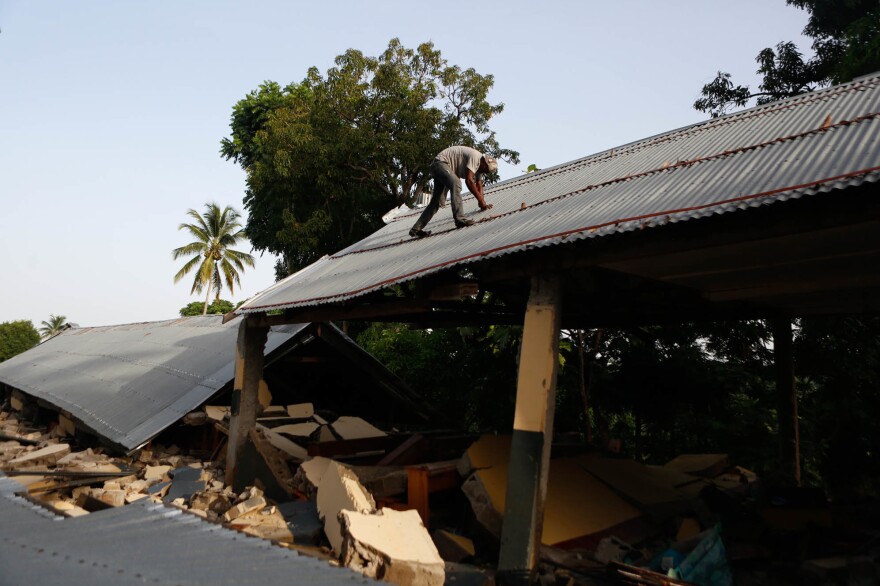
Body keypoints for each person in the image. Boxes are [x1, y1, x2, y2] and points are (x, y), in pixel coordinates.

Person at [409, 145, 498, 238]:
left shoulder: (481, 167)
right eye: (485, 169)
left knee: (437, 202)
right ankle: (460, 219)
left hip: (444, 168)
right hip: (440, 163)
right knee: (456, 183)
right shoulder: (476, 157)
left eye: (486, 172)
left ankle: (416, 229)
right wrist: (481, 200)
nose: (484, 172)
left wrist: (482, 202)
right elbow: (469, 181)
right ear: (484, 162)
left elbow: (479, 184)